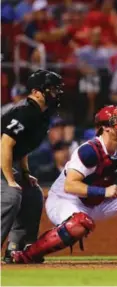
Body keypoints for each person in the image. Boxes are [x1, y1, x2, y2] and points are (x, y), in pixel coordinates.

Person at [10, 105, 117, 264]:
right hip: (65, 199)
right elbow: (70, 185)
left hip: (96, 202)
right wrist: (104, 191)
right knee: (79, 224)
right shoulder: (89, 151)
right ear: (105, 127)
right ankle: (28, 255)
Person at [1, 69, 64, 263]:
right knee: (12, 195)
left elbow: (22, 147)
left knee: (32, 192)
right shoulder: (25, 111)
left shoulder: (39, 114)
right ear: (37, 92)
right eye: (51, 89)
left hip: (7, 161)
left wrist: (25, 173)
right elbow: (5, 144)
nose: (56, 94)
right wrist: (11, 179)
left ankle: (18, 248)